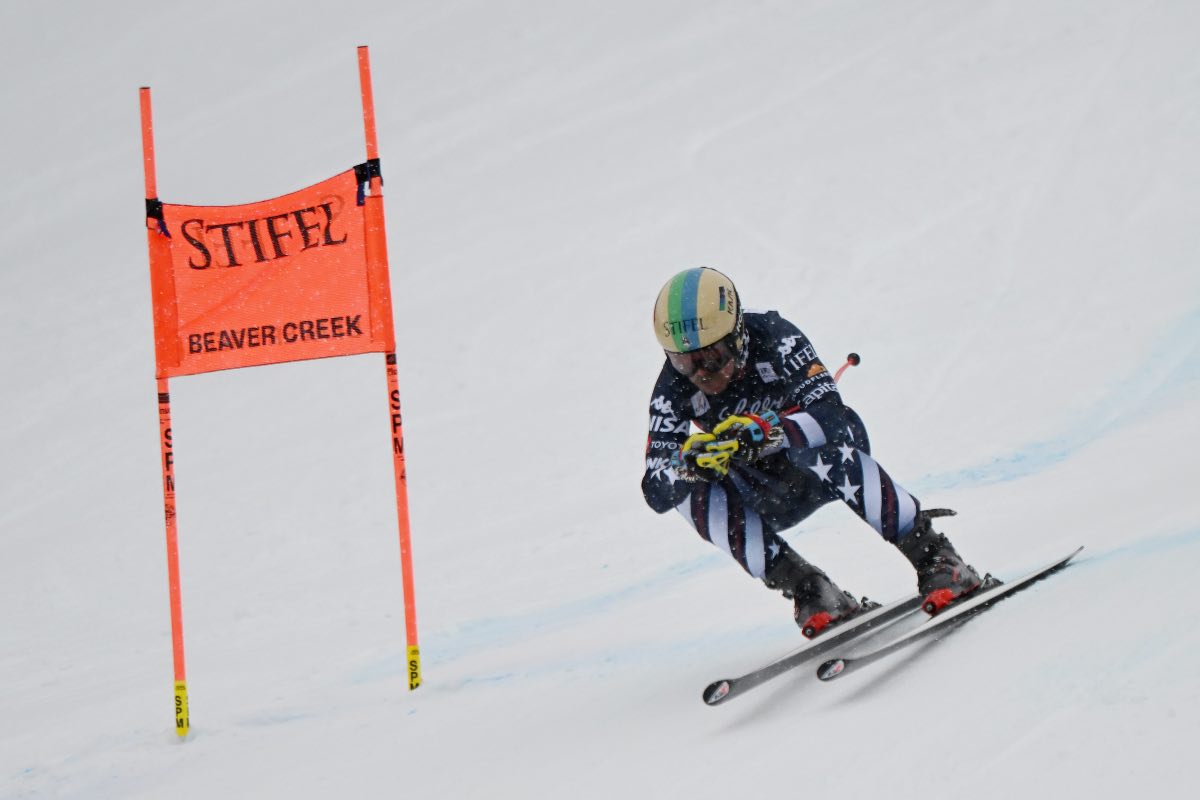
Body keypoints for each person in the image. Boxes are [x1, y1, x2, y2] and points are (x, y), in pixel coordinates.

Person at [641, 267, 982, 637]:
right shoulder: (671, 388)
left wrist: (769, 432)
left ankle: (933, 554)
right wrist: (689, 466)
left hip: (821, 466)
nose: (701, 374)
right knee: (686, 494)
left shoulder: (774, 336)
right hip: (764, 491)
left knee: (819, 443)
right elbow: (655, 490)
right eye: (683, 362)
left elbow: (833, 418)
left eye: (712, 356)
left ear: (737, 335)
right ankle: (809, 588)